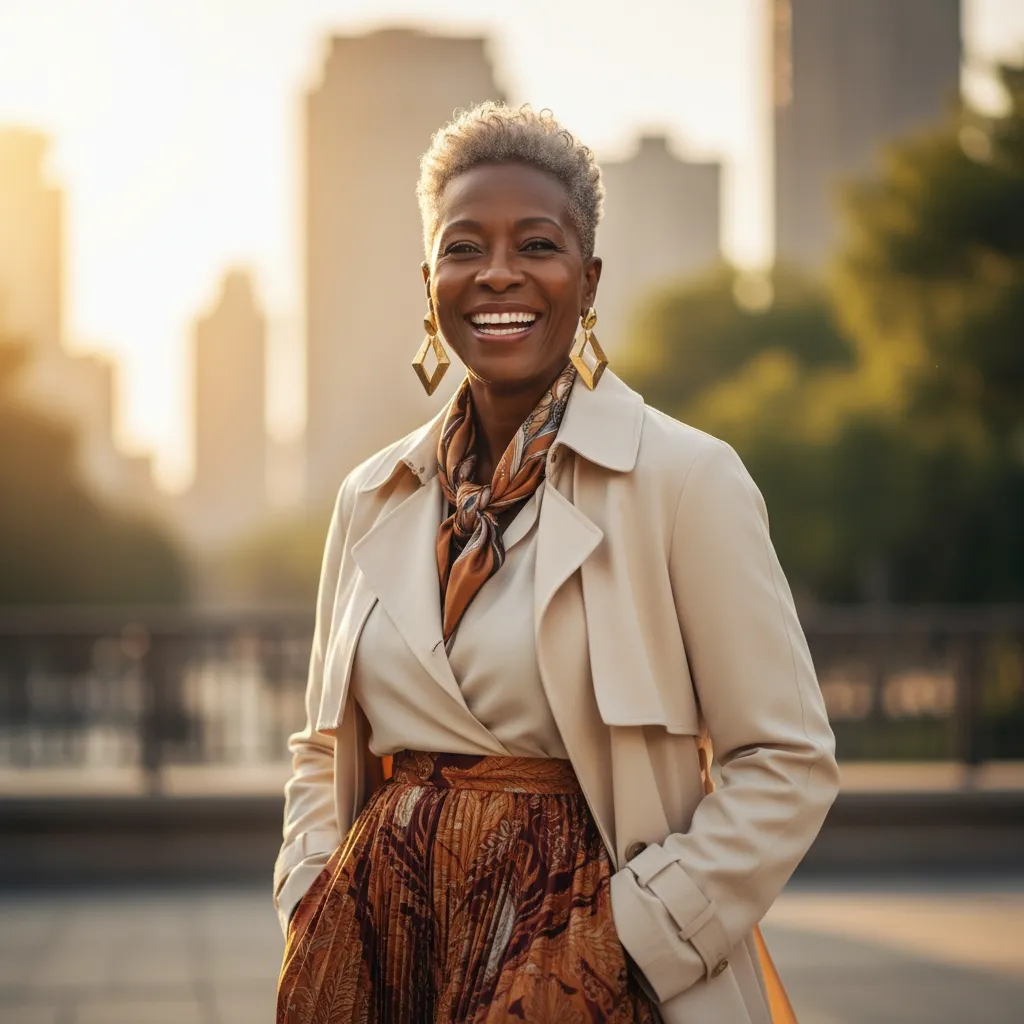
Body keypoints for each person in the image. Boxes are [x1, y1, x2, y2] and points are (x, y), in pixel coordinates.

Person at [274, 102, 839, 1024]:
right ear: (429, 283)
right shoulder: (370, 494)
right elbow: (321, 744)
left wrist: (626, 941)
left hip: (590, 973)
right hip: (385, 959)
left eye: (536, 245)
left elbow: (786, 761)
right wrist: (310, 890)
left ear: (588, 280)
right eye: (464, 248)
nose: (498, 272)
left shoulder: (686, 479)